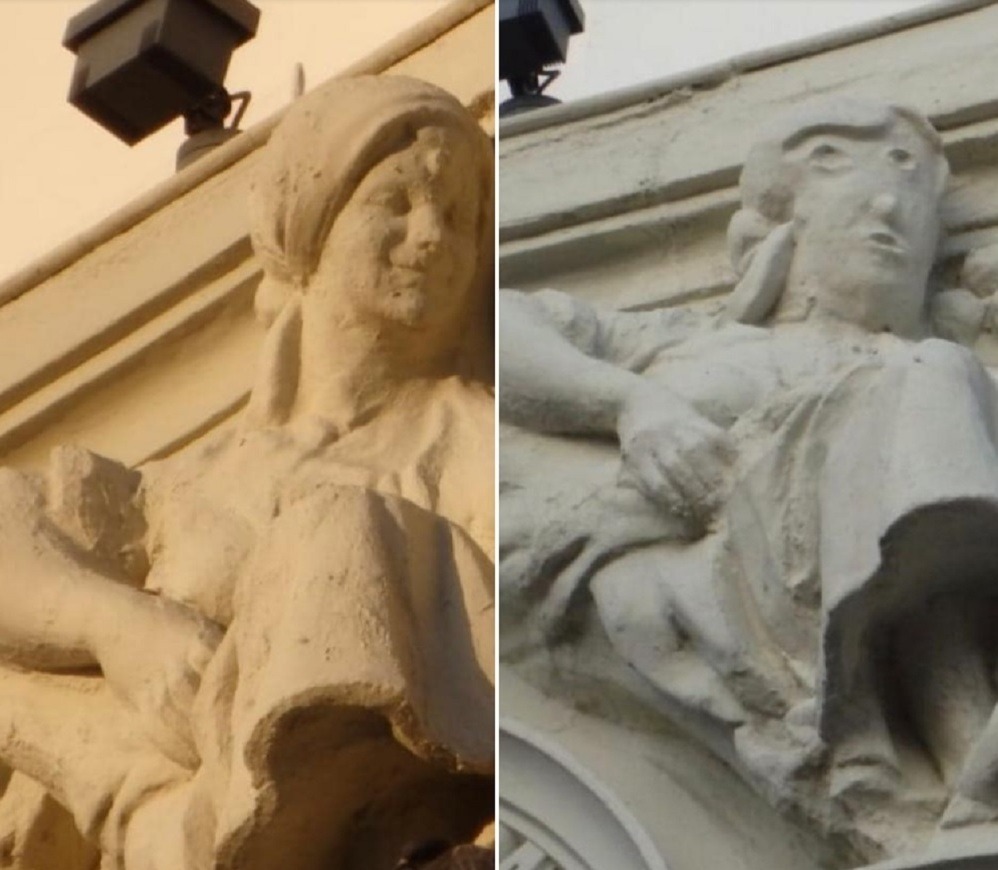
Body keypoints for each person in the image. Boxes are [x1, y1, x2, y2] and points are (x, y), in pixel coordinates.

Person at [0, 74, 494, 870]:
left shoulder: (472, 441)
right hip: (185, 811)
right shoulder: (190, 481)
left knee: (340, 529)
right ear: (313, 225)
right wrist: (117, 626)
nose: (434, 235)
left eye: (461, 215)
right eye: (396, 202)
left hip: (321, 825)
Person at [499, 97, 998, 845]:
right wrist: (631, 406)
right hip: (718, 567)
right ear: (782, 235)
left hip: (852, 569)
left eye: (909, 218)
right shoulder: (684, 340)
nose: (890, 226)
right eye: (864, 212)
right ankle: (967, 746)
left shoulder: (942, 373)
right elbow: (498, 326)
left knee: (930, 372)